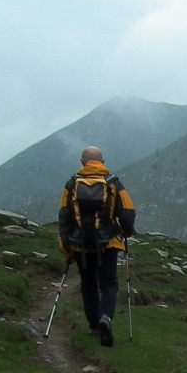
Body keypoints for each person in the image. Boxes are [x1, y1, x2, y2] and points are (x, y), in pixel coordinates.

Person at [57, 146, 136, 347]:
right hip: (108, 242)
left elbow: (64, 216)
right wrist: (126, 232)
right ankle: (106, 318)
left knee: (88, 285)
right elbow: (127, 212)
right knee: (109, 284)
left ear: (82, 161)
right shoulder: (113, 183)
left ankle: (94, 325)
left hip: (81, 244)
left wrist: (67, 247)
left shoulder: (72, 183)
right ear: (102, 162)